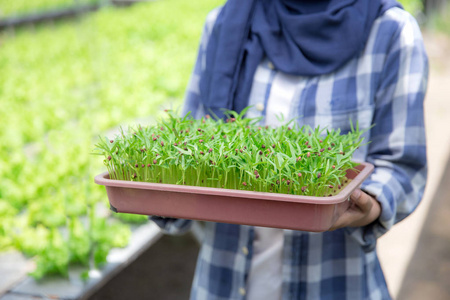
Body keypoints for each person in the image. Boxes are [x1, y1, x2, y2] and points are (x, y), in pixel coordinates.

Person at [152, 0, 428, 299]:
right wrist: (153, 184)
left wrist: (368, 203)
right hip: (222, 283)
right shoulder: (226, 22)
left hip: (334, 283)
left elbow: (401, 164)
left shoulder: (391, 31)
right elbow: (190, 142)